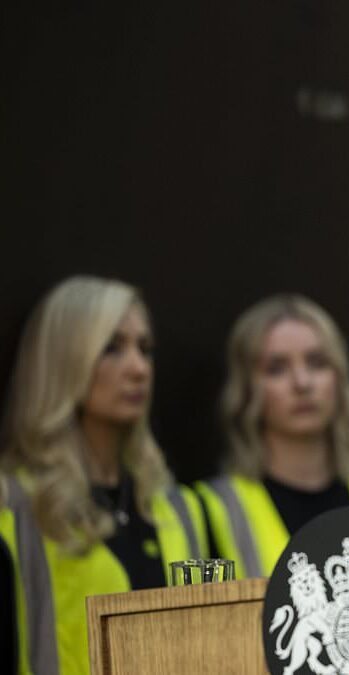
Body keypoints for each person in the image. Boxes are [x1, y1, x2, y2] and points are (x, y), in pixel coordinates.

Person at [0, 276, 207, 675]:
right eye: (111, 348)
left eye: (145, 349)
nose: (138, 368)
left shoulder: (175, 508)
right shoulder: (16, 506)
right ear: (63, 359)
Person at [196, 294, 349, 580]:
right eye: (277, 368)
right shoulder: (210, 508)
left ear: (340, 378)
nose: (302, 383)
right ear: (246, 389)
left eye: (317, 362)